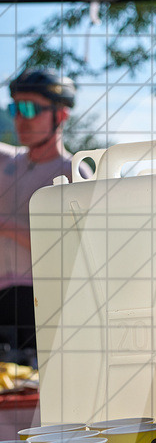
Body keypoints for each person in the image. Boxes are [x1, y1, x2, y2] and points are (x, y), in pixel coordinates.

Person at [0, 68, 88, 366]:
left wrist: (9, 228)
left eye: (30, 108)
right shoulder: (6, 163)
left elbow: (79, 253)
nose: (19, 118)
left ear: (60, 116)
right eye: (14, 107)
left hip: (44, 308)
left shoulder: (73, 173)